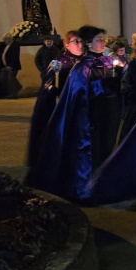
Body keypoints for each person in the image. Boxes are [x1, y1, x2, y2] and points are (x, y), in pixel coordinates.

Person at [26, 25, 123, 200]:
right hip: (85, 117)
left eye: (104, 39)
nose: (103, 43)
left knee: (106, 148)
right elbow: (66, 90)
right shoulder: (71, 65)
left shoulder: (105, 61)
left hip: (106, 115)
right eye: (98, 39)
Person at [27, 30, 85, 167]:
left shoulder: (86, 61)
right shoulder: (59, 62)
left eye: (81, 41)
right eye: (75, 41)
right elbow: (48, 83)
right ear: (66, 44)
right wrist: (54, 90)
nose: (79, 44)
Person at [0, 33, 22, 98]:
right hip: (5, 66)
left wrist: (10, 66)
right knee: (2, 78)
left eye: (5, 39)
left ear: (9, 39)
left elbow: (15, 57)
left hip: (12, 66)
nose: (3, 40)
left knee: (11, 79)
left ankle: (13, 94)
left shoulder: (15, 46)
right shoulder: (6, 45)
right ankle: (18, 87)